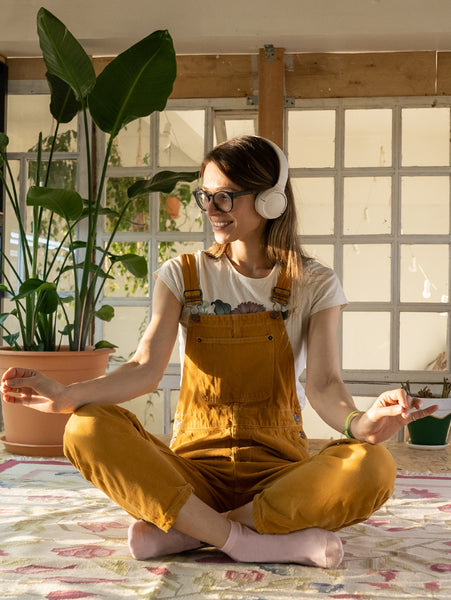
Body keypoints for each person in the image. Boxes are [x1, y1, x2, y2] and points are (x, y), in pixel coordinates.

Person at [1, 135, 438, 569]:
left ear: (270, 201)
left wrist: (361, 423)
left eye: (225, 197)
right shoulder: (181, 274)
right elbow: (144, 367)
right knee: (85, 429)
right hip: (191, 475)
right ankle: (247, 541)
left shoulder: (315, 282)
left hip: (278, 477)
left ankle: (191, 532)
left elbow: (324, 384)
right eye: (205, 196)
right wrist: (67, 395)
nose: (211, 209)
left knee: (373, 466)